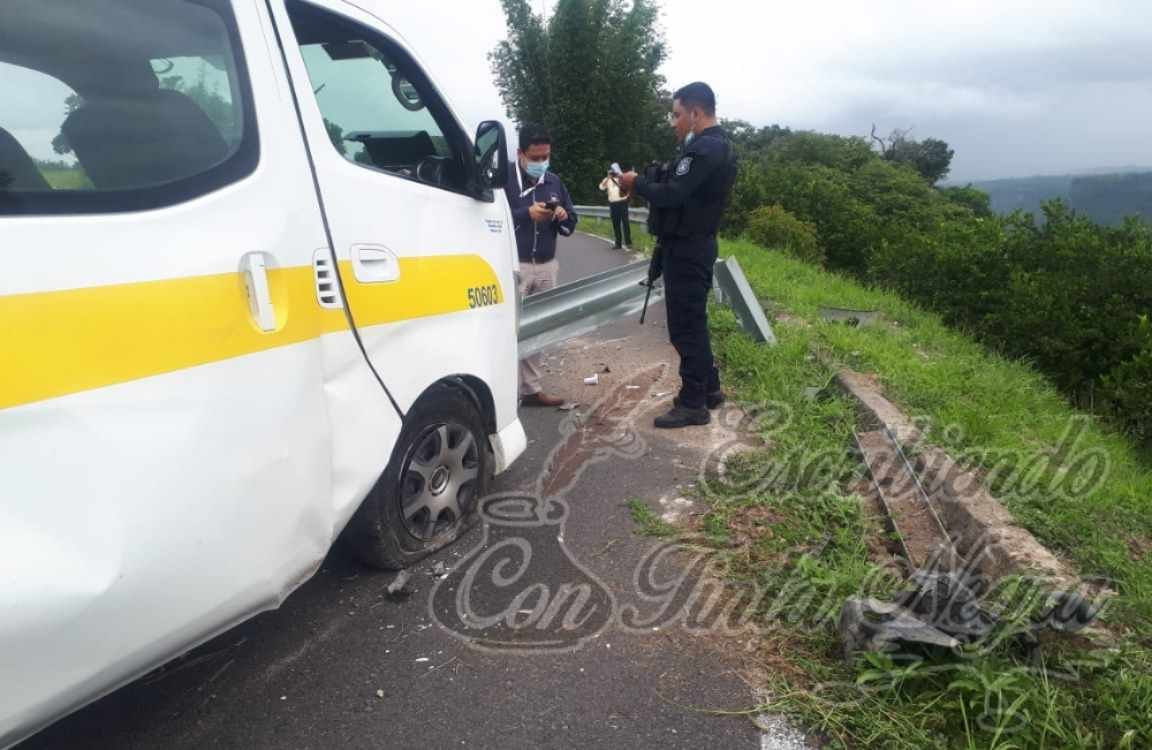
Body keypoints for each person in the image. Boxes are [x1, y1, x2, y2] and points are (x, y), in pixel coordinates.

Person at [619, 82, 738, 429]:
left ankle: (692, 403)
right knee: (694, 322)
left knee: (685, 328)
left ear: (695, 113)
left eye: (677, 114)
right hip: (691, 244)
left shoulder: (704, 149)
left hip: (689, 248)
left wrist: (636, 182)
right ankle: (709, 388)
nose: (674, 122)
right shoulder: (716, 146)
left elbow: (672, 194)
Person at [505, 123, 578, 407]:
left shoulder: (554, 182)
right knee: (507, 330)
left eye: (545, 157)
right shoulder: (504, 181)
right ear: (520, 153)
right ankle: (504, 392)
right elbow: (490, 217)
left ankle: (531, 390)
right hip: (514, 267)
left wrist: (562, 216)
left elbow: (571, 220)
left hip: (547, 266)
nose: (541, 162)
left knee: (538, 330)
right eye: (535, 158)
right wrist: (526, 214)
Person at [598, 163, 633, 250]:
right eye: (611, 170)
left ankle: (628, 242)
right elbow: (601, 187)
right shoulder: (608, 179)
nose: (612, 172)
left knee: (625, 222)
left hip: (622, 202)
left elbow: (629, 186)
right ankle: (618, 243)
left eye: (613, 170)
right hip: (613, 204)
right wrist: (608, 178)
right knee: (615, 223)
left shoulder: (622, 178)